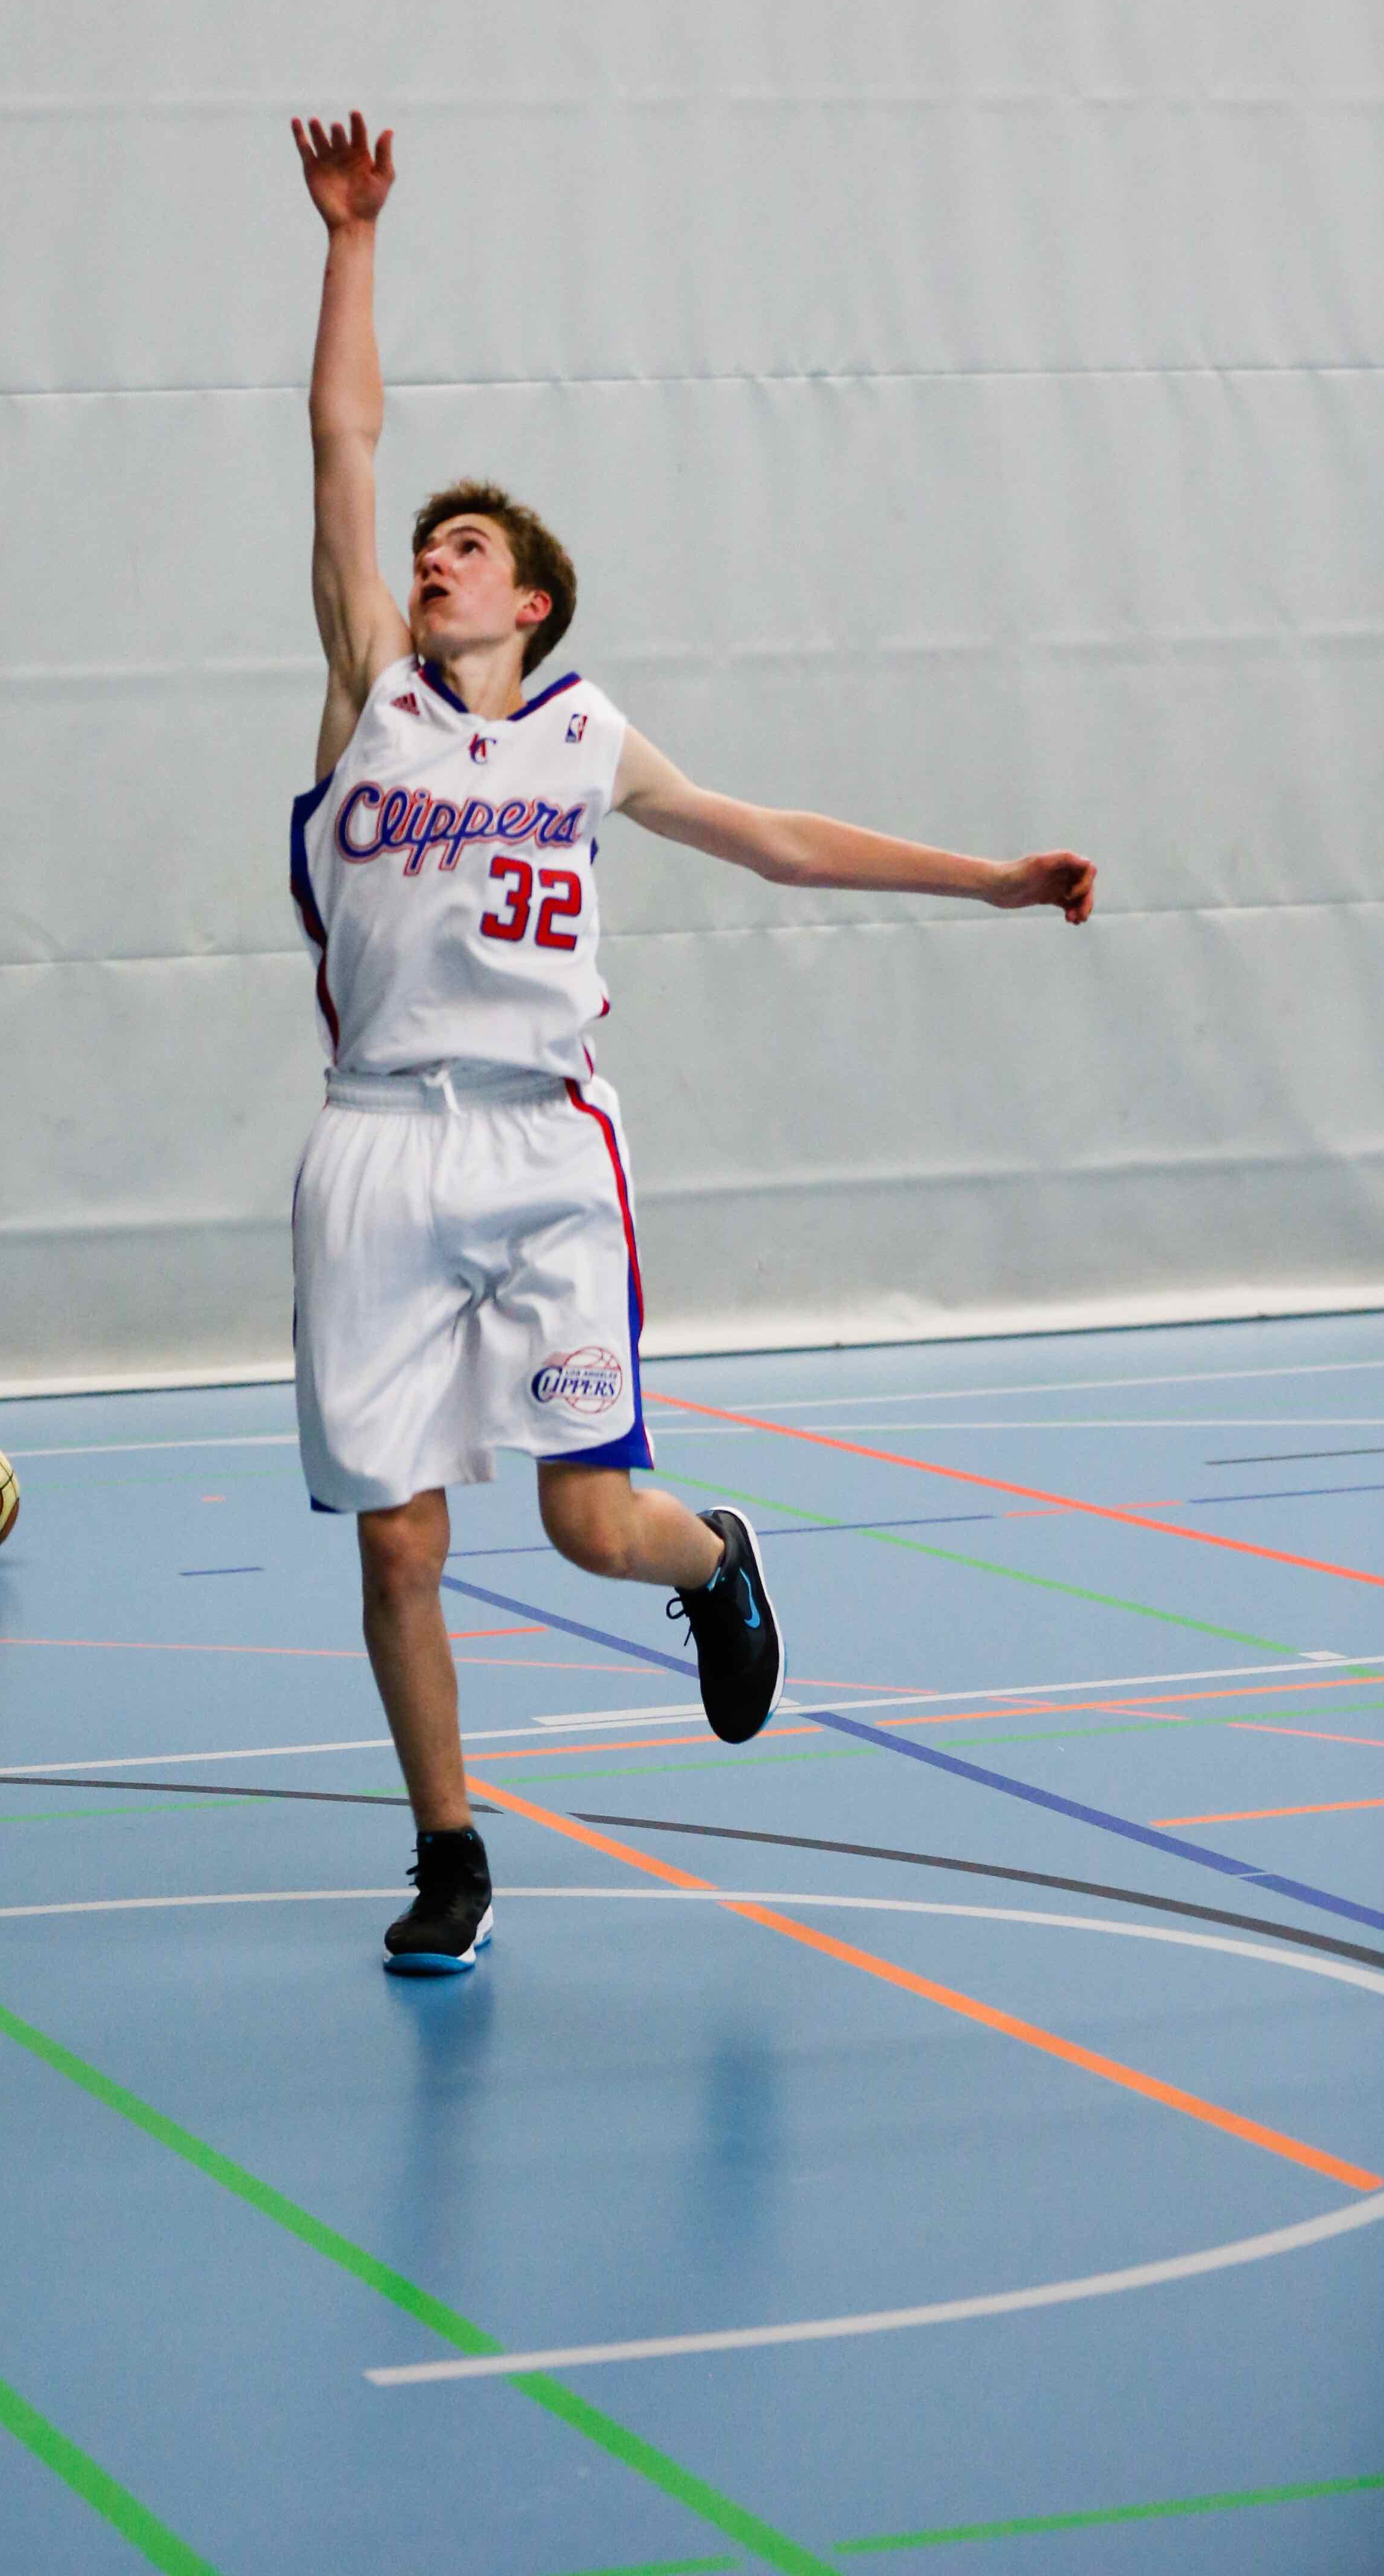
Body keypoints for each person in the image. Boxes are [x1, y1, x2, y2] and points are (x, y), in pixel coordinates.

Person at [287, 113, 1096, 1974]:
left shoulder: (588, 738)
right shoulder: (370, 699)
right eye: (425, 547)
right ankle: (449, 1852)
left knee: (590, 1526)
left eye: (467, 546)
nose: (431, 558)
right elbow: (341, 445)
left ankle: (713, 1558)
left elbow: (781, 840)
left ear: (533, 601)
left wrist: (988, 880)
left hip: (548, 1148)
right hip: (379, 1144)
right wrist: (352, 242)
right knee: (399, 1543)